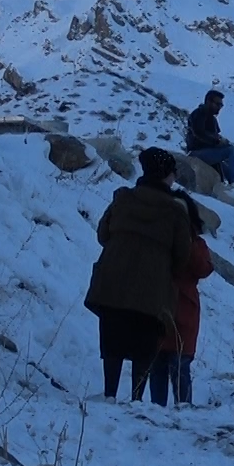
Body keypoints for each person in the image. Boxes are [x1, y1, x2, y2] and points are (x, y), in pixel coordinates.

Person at [85, 147, 192, 400]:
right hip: (151, 293)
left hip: (112, 284)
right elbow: (182, 257)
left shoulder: (123, 199)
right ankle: (135, 400)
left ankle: (109, 394)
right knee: (144, 348)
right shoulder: (175, 212)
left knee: (112, 344)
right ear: (166, 175)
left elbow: (103, 235)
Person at [152, 195, 214, 407]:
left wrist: (187, 240)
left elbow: (203, 269)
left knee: (180, 366)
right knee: (157, 365)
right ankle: (156, 411)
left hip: (184, 311)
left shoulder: (196, 243)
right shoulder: (159, 238)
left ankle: (184, 412)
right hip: (159, 307)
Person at [184, 90, 234, 185]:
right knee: (231, 150)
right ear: (209, 102)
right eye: (218, 104)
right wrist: (217, 142)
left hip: (204, 152)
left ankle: (229, 184)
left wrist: (220, 142)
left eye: (221, 105)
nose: (219, 107)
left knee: (225, 165)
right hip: (196, 153)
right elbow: (199, 133)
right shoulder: (199, 113)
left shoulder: (212, 119)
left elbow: (214, 136)